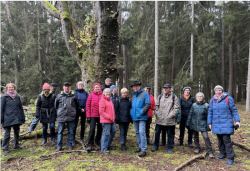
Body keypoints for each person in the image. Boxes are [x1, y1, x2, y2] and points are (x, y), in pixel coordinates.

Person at [208, 85, 240, 166]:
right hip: (216, 124)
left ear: (222, 91)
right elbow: (210, 112)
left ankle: (231, 158)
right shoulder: (212, 100)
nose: (218, 92)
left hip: (227, 123)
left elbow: (234, 110)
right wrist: (209, 123)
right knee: (220, 140)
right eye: (216, 90)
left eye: (219, 90)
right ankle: (223, 154)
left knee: (226, 140)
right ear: (214, 91)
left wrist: (237, 121)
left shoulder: (228, 99)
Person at [151, 84, 179, 154]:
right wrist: (157, 114)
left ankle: (169, 147)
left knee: (170, 134)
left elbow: (176, 108)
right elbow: (156, 106)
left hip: (169, 120)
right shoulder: (160, 96)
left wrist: (170, 115)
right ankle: (156, 146)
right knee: (157, 133)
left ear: (170, 89)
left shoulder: (174, 97)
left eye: (166, 88)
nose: (165, 89)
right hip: (160, 119)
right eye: (164, 88)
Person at [186, 92, 214, 158]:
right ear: (196, 98)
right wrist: (188, 123)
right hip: (194, 123)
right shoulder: (194, 105)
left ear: (203, 97)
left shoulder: (206, 105)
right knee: (195, 137)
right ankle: (197, 148)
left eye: (201, 96)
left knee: (206, 137)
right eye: (198, 96)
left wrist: (209, 124)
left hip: (203, 124)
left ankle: (209, 151)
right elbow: (190, 114)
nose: (199, 97)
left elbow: (209, 116)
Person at [1, 83, 25, 153]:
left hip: (17, 117)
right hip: (7, 118)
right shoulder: (4, 97)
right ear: (7, 88)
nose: (11, 89)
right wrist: (1, 119)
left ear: (14, 88)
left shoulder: (17, 97)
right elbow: (1, 109)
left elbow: (21, 108)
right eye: (9, 87)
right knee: (7, 134)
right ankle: (5, 147)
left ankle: (16, 145)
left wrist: (23, 117)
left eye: (12, 87)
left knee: (17, 132)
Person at [55, 82, 79, 151]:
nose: (67, 87)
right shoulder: (59, 96)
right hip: (61, 116)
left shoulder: (74, 96)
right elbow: (55, 105)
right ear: (63, 87)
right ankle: (59, 146)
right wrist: (59, 112)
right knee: (60, 131)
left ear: (70, 87)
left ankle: (69, 145)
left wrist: (73, 112)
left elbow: (77, 105)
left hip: (71, 116)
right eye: (65, 86)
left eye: (68, 86)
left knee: (70, 131)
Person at [130, 81, 151, 157]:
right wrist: (131, 113)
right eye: (133, 87)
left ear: (139, 86)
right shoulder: (133, 95)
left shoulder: (144, 94)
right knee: (137, 132)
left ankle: (143, 149)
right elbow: (132, 106)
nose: (135, 88)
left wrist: (142, 112)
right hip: (135, 117)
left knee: (142, 132)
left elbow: (148, 104)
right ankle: (140, 146)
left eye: (136, 86)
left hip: (142, 117)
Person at [86, 83, 103, 151]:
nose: (97, 88)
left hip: (101, 115)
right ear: (93, 88)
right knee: (92, 129)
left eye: (98, 87)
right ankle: (90, 144)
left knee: (100, 129)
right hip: (93, 115)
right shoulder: (91, 95)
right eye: (96, 87)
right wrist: (88, 116)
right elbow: (88, 106)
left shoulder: (103, 95)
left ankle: (97, 142)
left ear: (100, 88)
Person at [99, 88, 116, 154]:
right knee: (106, 134)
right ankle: (103, 148)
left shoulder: (110, 100)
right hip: (106, 120)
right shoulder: (102, 100)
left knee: (114, 131)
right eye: (106, 92)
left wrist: (113, 117)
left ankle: (108, 145)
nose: (108, 93)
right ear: (103, 93)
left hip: (112, 120)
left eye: (109, 92)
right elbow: (101, 112)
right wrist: (109, 117)